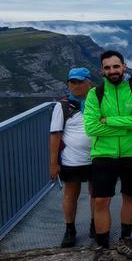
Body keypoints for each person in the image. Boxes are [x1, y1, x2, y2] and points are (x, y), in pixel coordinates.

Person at [83, 50, 132, 261]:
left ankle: (125, 239)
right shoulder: (95, 94)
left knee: (129, 196)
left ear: (124, 66)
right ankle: (102, 248)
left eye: (116, 66)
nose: (112, 71)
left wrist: (109, 121)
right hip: (104, 154)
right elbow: (91, 127)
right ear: (102, 70)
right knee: (101, 200)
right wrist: (128, 124)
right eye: (107, 67)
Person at [49, 67, 94, 248]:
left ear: (89, 83)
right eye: (72, 82)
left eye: (79, 81)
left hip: (96, 157)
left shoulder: (97, 101)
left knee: (96, 193)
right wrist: (53, 163)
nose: (75, 85)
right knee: (71, 194)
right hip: (72, 159)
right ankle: (70, 229)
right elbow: (55, 135)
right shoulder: (63, 106)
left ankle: (95, 224)